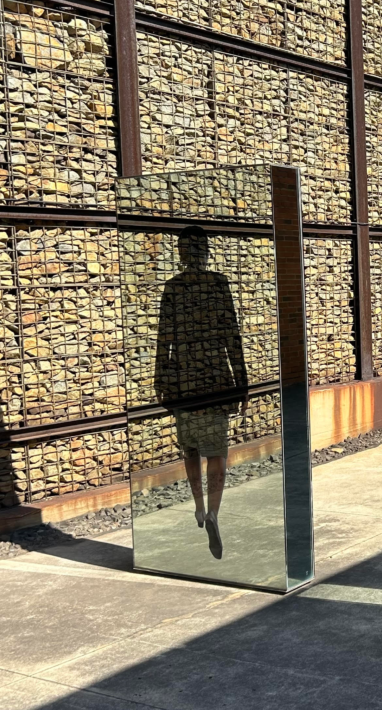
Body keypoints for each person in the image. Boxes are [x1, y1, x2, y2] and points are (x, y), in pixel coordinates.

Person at [155, 226, 247, 560]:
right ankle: (213, 512)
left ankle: (198, 506)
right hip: (216, 378)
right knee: (217, 451)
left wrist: (161, 381)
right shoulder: (218, 284)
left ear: (181, 253)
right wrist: (241, 379)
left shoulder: (173, 288)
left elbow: (163, 339)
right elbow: (231, 334)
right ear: (206, 252)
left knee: (191, 447)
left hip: (185, 379)